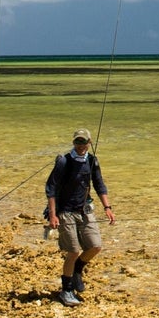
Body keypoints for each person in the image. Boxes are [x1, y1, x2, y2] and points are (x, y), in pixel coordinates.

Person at [45, 127, 113, 307]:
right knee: (73, 251)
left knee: (95, 246)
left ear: (90, 143)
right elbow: (51, 188)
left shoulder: (92, 161)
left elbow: (99, 184)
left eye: (84, 142)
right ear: (73, 142)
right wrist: (53, 214)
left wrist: (107, 207)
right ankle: (66, 290)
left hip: (85, 210)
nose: (81, 145)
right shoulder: (64, 161)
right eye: (78, 142)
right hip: (65, 211)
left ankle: (77, 269)